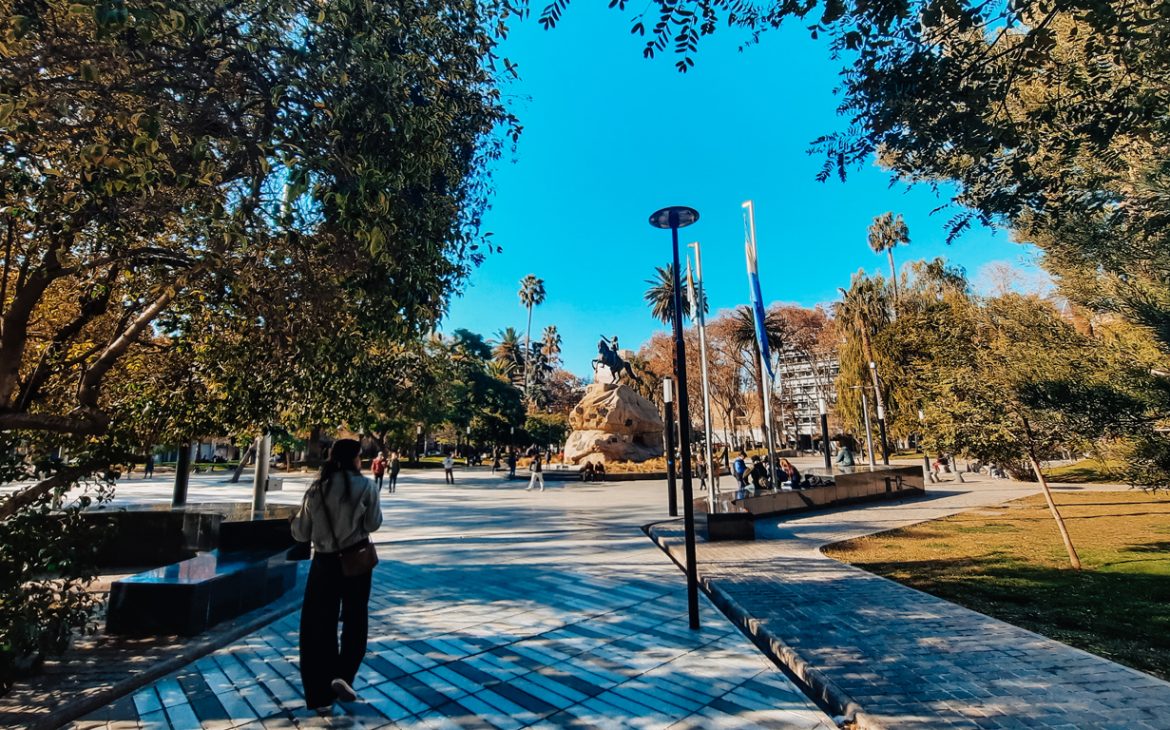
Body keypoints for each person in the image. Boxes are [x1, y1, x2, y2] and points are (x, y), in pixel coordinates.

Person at [290, 438, 383, 712]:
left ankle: (320, 697)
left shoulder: (316, 488)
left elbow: (301, 533)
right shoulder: (365, 486)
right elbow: (373, 523)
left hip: (324, 563)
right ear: (355, 458)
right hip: (356, 561)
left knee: (318, 626)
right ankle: (343, 674)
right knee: (355, 619)